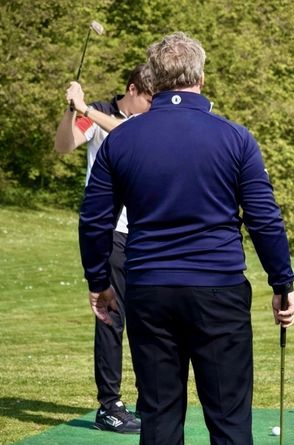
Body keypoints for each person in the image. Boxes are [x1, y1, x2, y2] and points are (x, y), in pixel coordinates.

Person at [78, 32, 294, 445]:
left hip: (150, 290)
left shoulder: (122, 139)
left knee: (159, 418)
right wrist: (282, 284)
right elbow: (265, 219)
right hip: (219, 289)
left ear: (155, 79)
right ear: (200, 75)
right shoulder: (235, 138)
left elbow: (94, 220)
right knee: (229, 420)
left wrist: (98, 281)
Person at [54, 64, 154, 434]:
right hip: (111, 230)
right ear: (132, 89)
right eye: (148, 97)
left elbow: (131, 133)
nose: (152, 105)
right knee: (112, 318)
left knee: (148, 318)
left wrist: (84, 109)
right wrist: (72, 111)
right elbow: (64, 146)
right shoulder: (98, 113)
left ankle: (150, 402)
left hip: (144, 233)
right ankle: (109, 405)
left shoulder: (124, 119)